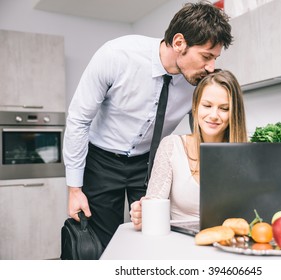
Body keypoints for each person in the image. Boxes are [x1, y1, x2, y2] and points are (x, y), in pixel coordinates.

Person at [63, 1, 233, 249]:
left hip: (150, 162)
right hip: (101, 159)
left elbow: (202, 131)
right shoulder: (116, 56)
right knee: (102, 242)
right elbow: (79, 119)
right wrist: (74, 189)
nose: (211, 67)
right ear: (179, 43)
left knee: (150, 236)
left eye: (215, 58)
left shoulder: (200, 80)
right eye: (206, 56)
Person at [129, 69, 248, 230]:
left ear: (234, 113)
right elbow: (152, 207)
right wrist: (142, 215)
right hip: (181, 245)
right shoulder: (171, 146)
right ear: (195, 106)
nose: (214, 115)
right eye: (207, 105)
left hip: (230, 246)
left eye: (224, 108)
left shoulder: (247, 153)